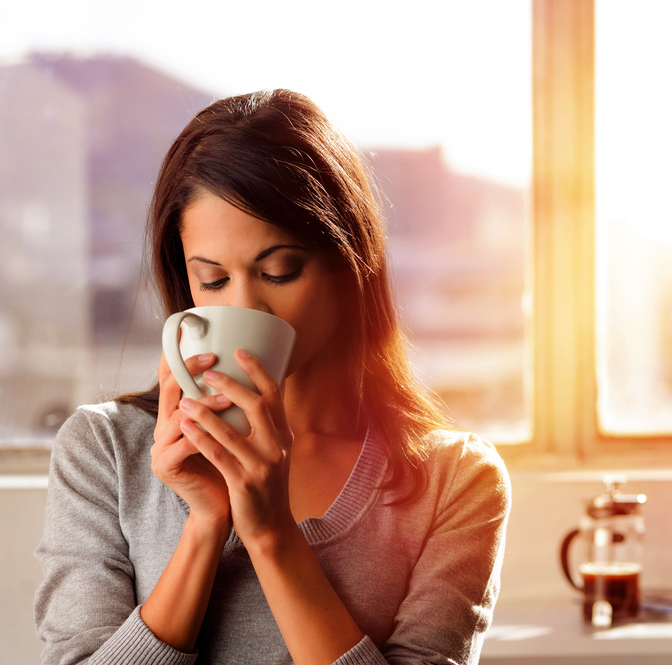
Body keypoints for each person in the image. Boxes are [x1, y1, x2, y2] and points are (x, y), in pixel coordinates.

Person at [33, 89, 511, 665]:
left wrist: (271, 536)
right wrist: (205, 528)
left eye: (280, 270)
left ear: (349, 264)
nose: (245, 309)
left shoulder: (454, 480)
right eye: (212, 281)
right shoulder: (105, 451)